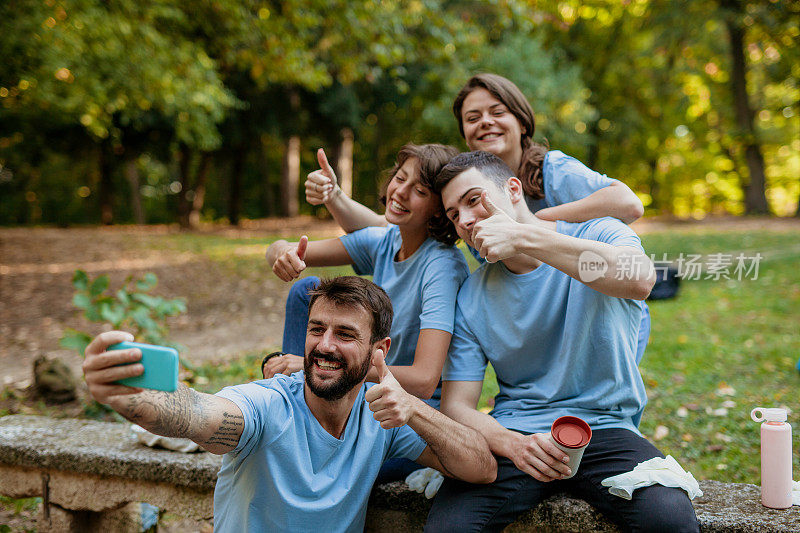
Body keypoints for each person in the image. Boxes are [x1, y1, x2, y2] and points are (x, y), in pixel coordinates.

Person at [83, 276, 497, 533]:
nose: (325, 345)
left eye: (345, 334)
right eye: (317, 328)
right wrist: (135, 401)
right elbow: (198, 415)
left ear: (379, 351)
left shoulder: (381, 418)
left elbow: (481, 467)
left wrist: (415, 407)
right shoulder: (268, 404)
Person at [423, 151, 699, 532]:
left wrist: (524, 236)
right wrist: (512, 445)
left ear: (514, 190)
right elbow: (457, 406)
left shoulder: (599, 232)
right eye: (454, 215)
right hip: (516, 434)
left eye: (473, 200)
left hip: (607, 427)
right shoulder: (471, 295)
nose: (466, 221)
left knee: (669, 521)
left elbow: (639, 280)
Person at [304, 72, 650, 365]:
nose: (485, 121)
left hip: (593, 308)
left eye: (497, 112)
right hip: (533, 315)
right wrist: (336, 199)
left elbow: (628, 203)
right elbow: (387, 226)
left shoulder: (551, 170)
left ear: (521, 120)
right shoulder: (463, 191)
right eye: (472, 118)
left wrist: (532, 222)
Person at [265, 144, 468, 483]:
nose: (400, 192)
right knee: (306, 290)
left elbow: (423, 379)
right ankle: (297, 407)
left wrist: (313, 364)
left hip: (410, 411)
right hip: (365, 390)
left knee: (313, 458)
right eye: (399, 178)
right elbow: (287, 247)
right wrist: (281, 255)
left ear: (439, 209)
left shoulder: (442, 266)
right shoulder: (386, 240)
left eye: (419, 190)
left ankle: (303, 412)